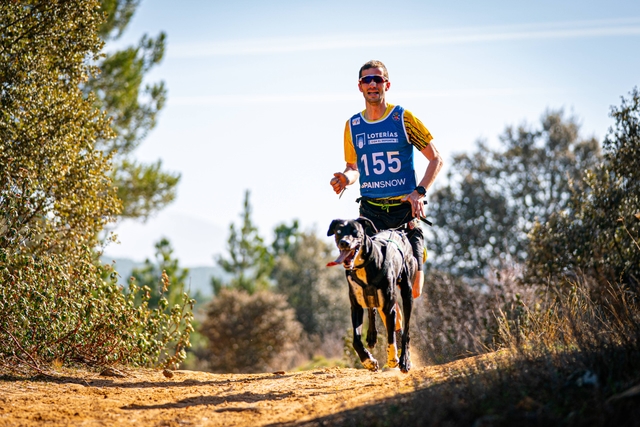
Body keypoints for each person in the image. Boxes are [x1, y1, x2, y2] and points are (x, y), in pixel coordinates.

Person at [330, 60, 443, 299]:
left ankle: (418, 251)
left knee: (413, 291)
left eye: (377, 79)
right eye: (367, 80)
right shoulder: (353, 125)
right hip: (371, 214)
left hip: (403, 211)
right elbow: (353, 168)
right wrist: (344, 179)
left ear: (387, 85)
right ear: (360, 86)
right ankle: (393, 328)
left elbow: (436, 159)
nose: (372, 84)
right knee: (371, 285)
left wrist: (419, 192)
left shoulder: (403, 118)